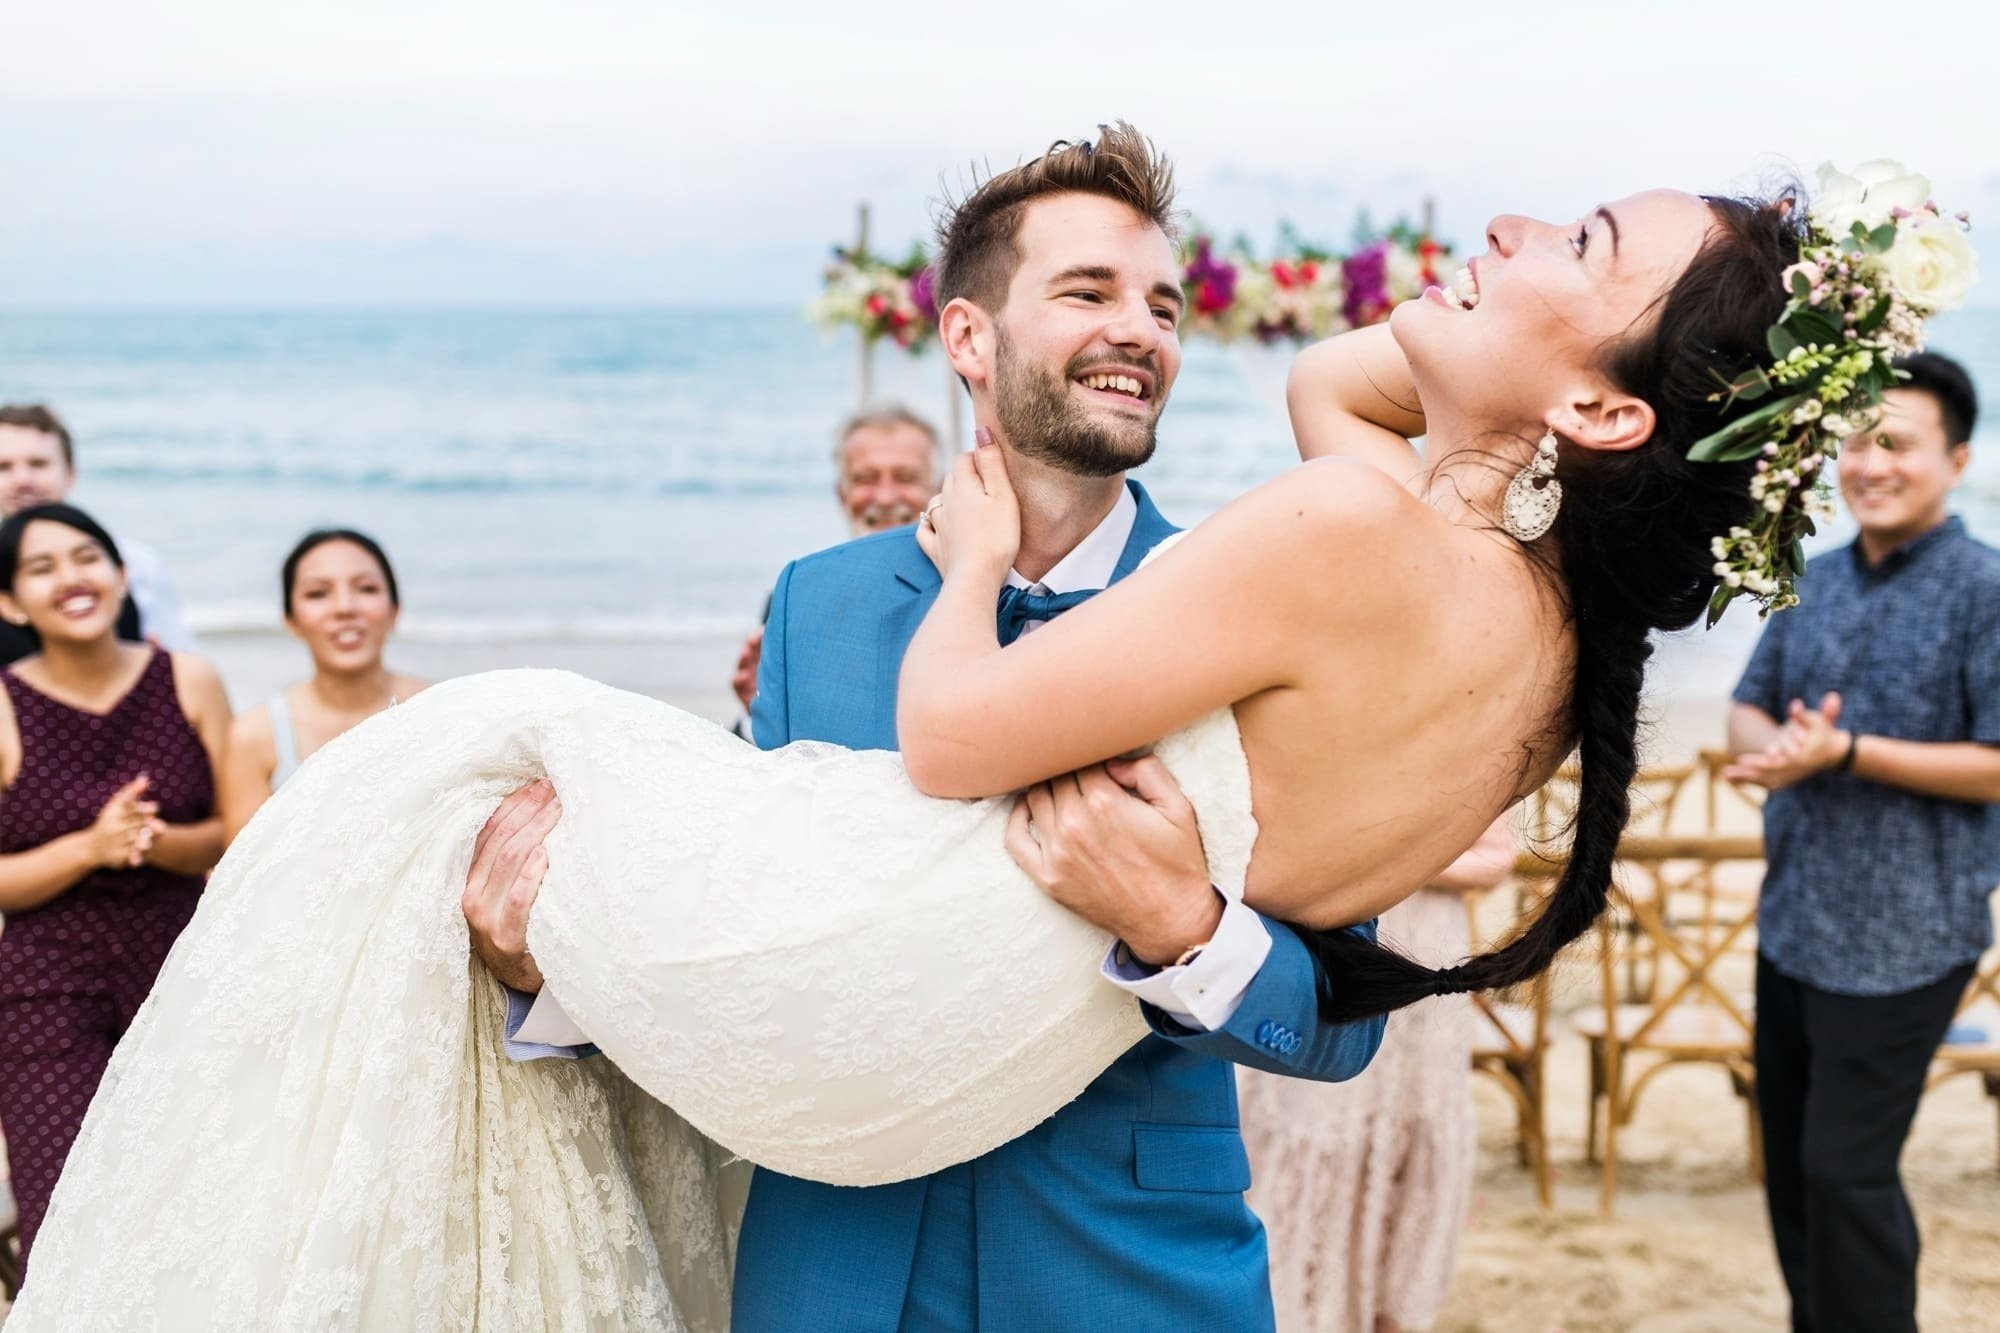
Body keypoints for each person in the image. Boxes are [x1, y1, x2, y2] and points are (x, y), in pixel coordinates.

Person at [14, 143, 1891, 1329]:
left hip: (1123, 1259)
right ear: (967, 340)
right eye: (1088, 291)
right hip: (832, 1248)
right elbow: (768, 893)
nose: (1141, 330)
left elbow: (1332, 1009)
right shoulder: (818, 608)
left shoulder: (1296, 572)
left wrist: (1194, 933)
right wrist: (543, 954)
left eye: (1166, 300)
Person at [1723, 351, 1996, 1333]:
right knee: (1794, 1173)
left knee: (1846, 1173)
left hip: (1910, 935)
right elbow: (1745, 710)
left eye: (1896, 444)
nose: (1867, 464)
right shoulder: (1815, 577)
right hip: (1793, 920)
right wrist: (1779, 751)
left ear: (1955, 459)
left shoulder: (1982, 587)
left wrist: (1841, 753)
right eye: (1850, 440)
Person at [0, 504, 229, 1280]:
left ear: (121, 574)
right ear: (9, 602)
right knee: (64, 1210)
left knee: (201, 1198)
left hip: (183, 969)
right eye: (42, 567)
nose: (72, 577)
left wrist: (159, 843)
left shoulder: (188, 679)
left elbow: (236, 832)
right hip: (43, 986)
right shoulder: (1, 704)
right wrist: (88, 848)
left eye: (87, 556)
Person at [1239, 815, 1516, 1333]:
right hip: (1321, 940)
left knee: (1413, 1125)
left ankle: (1391, 1310)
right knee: (1303, 1124)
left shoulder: (1454, 735)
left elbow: (1493, 860)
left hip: (1420, 956)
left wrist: (1373, 859)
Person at [728, 405, 942, 717]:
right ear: (842, 494)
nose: (884, 498)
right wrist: (758, 715)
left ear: (937, 489)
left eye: (905, 477)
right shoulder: (794, 599)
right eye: (866, 479)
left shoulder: (972, 588)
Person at [217, 530, 427, 842]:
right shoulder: (254, 736)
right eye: (317, 593)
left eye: (366, 588)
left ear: (395, 610)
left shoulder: (442, 709)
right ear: (291, 620)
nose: (344, 608)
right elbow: (239, 877)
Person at [0, 406, 197, 665]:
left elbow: (178, 656)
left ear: (70, 474)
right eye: (4, 467)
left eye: (39, 464)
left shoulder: (136, 562)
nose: (23, 480)